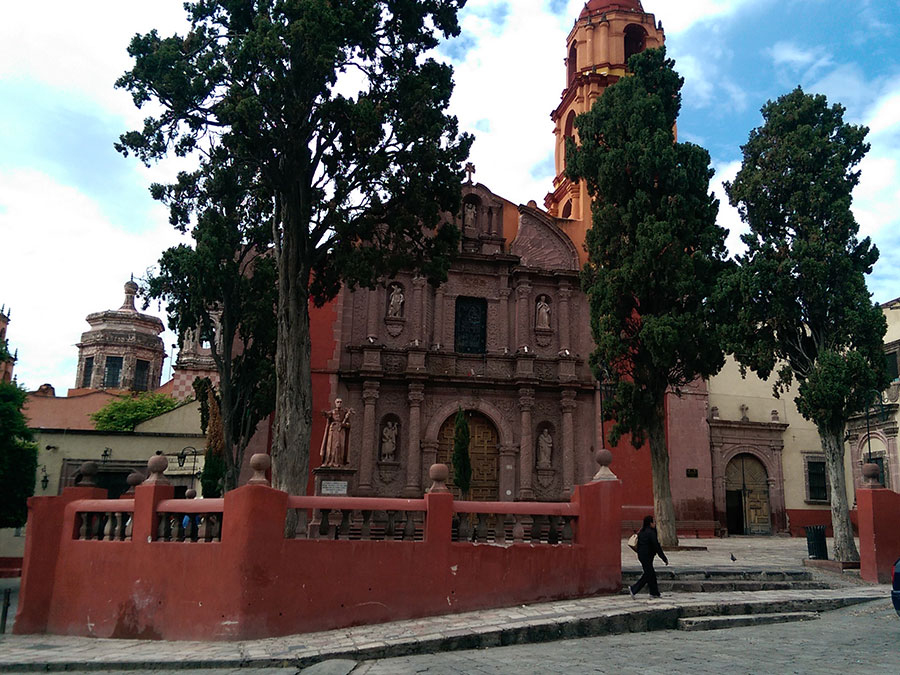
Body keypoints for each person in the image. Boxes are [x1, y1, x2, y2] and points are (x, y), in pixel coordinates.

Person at [629, 514, 668, 599]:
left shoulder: (642, 532)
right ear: (650, 523)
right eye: (653, 522)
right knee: (648, 574)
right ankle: (634, 589)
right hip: (647, 556)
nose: (655, 524)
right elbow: (656, 546)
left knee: (651, 574)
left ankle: (654, 593)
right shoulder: (651, 532)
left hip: (642, 555)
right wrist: (664, 558)